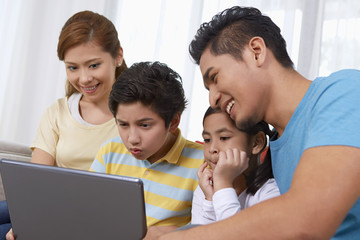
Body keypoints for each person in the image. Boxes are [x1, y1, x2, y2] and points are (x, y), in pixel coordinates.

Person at [157, 6, 360, 240]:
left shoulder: (343, 91)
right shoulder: (275, 144)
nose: (212, 98)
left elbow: (307, 219)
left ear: (256, 51)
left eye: (214, 77)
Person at [4, 10, 127, 240]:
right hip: (52, 208)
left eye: (93, 65)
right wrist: (27, 220)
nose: (84, 79)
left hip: (91, 218)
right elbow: (36, 181)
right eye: (73, 67)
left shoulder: (135, 120)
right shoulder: (58, 112)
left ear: (117, 56)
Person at [89, 61, 204, 229]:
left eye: (144, 125)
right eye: (123, 125)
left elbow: (208, 228)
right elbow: (89, 209)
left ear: (173, 122)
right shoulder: (110, 152)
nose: (132, 139)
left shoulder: (202, 164)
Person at [191, 107, 279, 225]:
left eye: (224, 138)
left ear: (256, 142)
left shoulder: (270, 193)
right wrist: (210, 200)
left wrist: (223, 185)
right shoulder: (205, 189)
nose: (212, 149)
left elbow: (234, 234)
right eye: (207, 140)